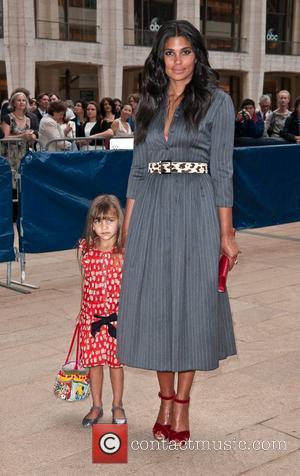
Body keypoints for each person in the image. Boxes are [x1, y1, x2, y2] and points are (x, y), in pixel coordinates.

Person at [117, 20, 239, 446]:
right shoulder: (146, 103)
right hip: (151, 211)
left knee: (191, 305)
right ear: (159, 58)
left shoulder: (217, 103)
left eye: (185, 51)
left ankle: (182, 405)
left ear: (197, 55)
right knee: (154, 306)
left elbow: (223, 171)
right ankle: (163, 398)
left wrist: (226, 233)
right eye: (169, 53)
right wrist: (127, 232)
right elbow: (137, 170)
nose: (178, 61)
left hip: (196, 210)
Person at [77, 194, 127, 428]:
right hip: (91, 320)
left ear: (120, 221)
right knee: (94, 364)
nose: (104, 227)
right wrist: (83, 317)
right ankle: (96, 405)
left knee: (116, 365)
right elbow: (85, 284)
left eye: (109, 220)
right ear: (91, 224)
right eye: (98, 221)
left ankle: (118, 404)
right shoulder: (85, 249)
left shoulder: (125, 252)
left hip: (118, 321)